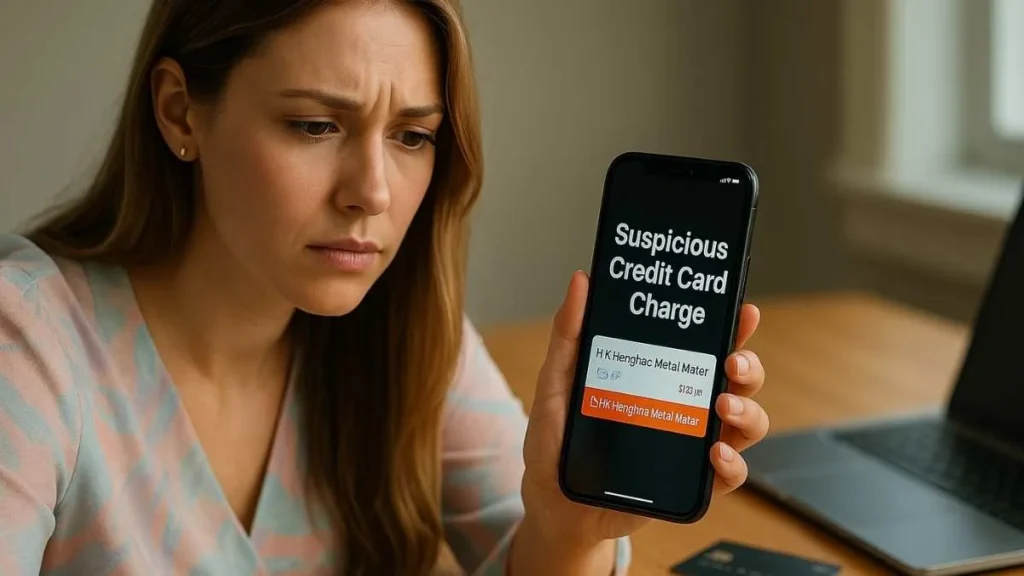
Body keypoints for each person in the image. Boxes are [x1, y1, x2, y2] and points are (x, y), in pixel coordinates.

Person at [0, 0, 770, 574]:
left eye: (412, 136)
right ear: (179, 113)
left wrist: (567, 529)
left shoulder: (406, 327)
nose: (372, 192)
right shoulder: (27, 345)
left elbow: (540, 544)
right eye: (315, 125)